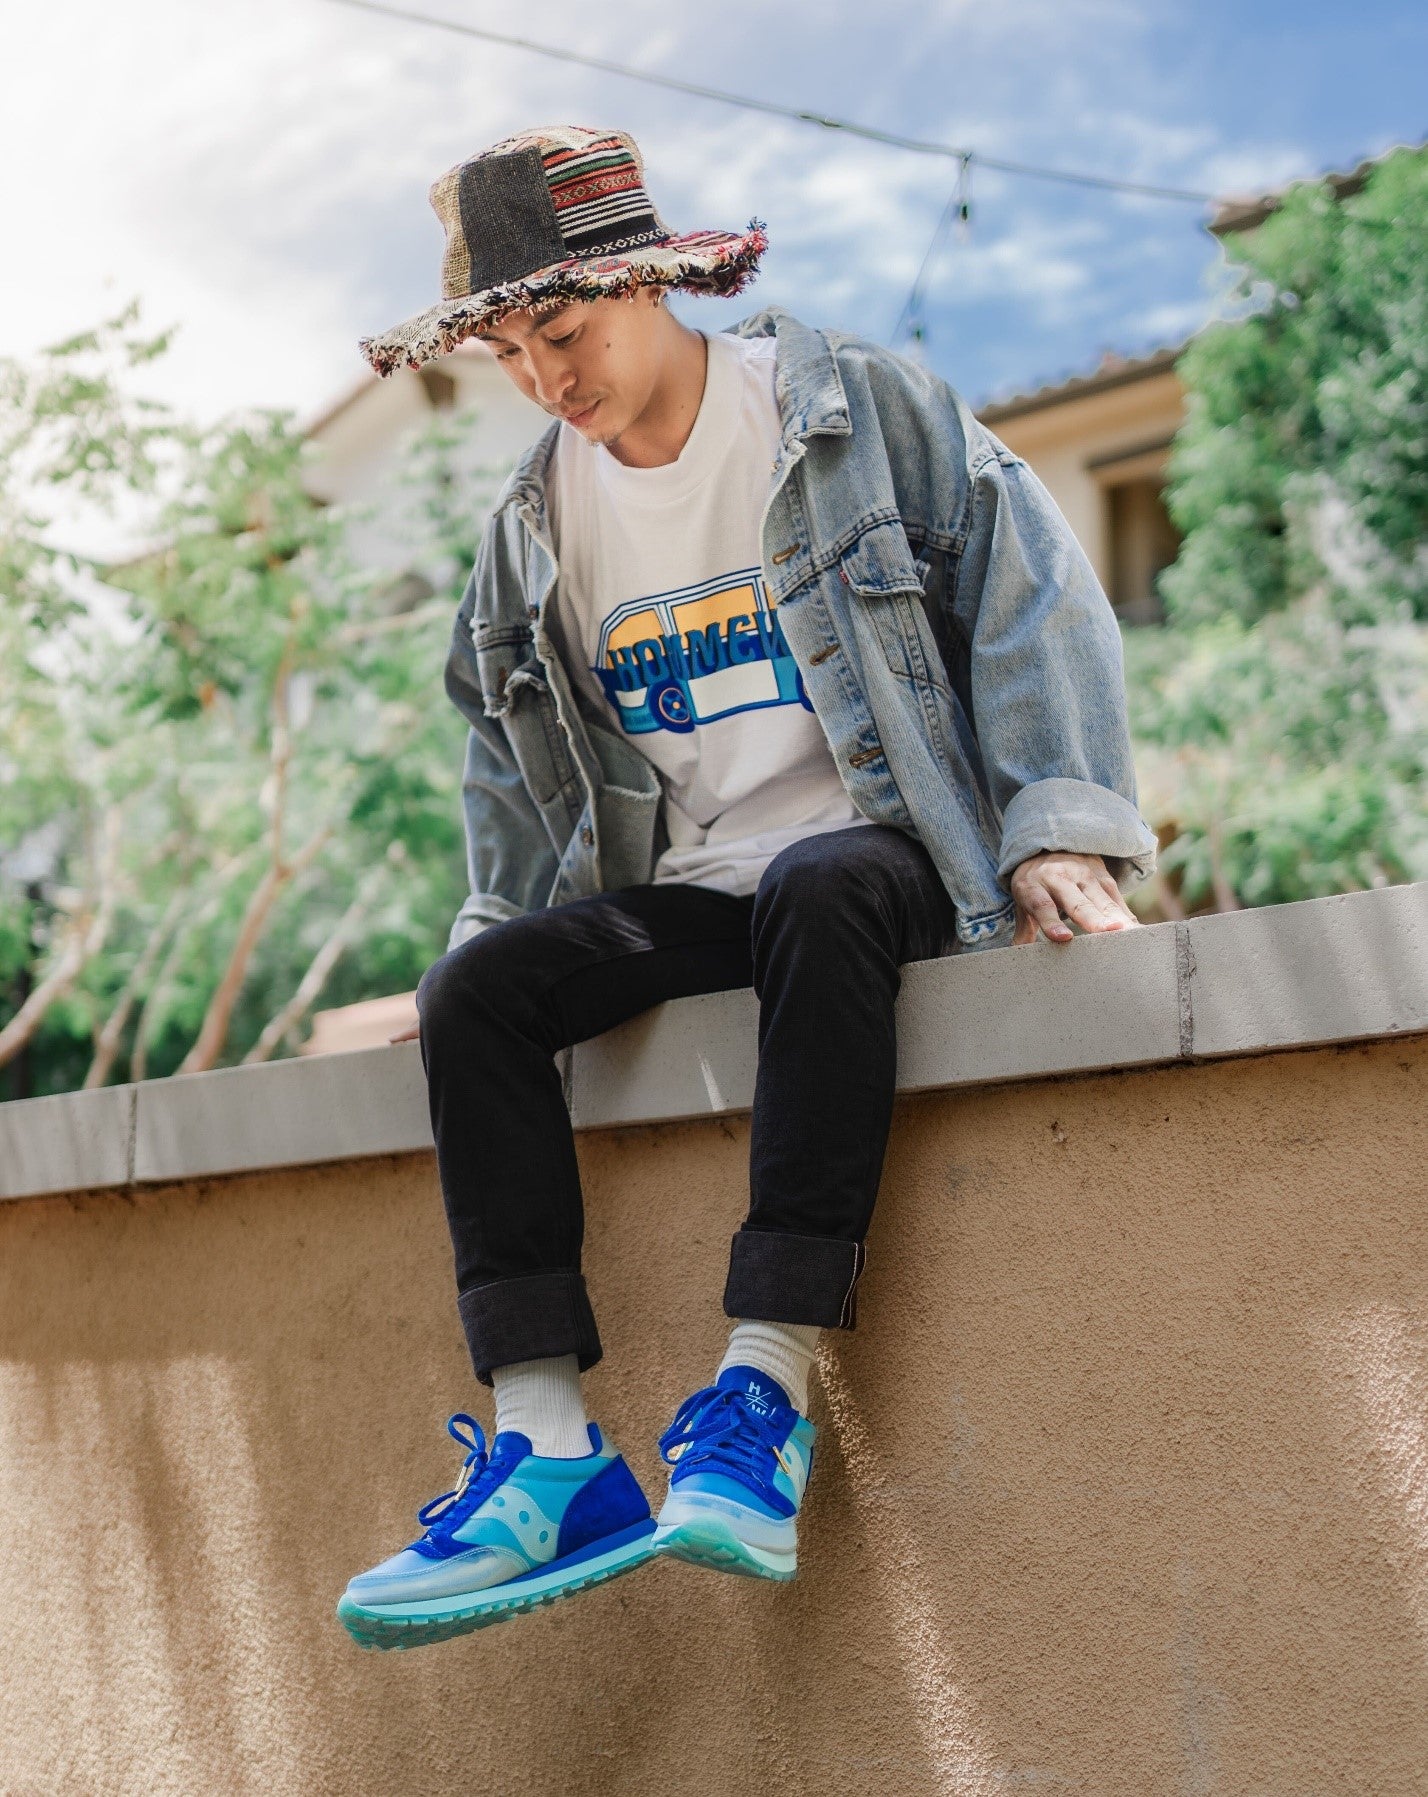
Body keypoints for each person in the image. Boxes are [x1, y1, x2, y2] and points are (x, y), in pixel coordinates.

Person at [337, 125, 1158, 1650]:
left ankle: (762, 1398)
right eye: (509, 349)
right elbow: (509, 774)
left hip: (886, 849)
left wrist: (1059, 822)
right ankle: (552, 1454)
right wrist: (486, 938)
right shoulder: (534, 529)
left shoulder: (844, 412)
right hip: (708, 884)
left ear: (652, 279)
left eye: (564, 331)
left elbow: (1033, 586)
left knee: (825, 886)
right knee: (484, 993)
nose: (545, 376)